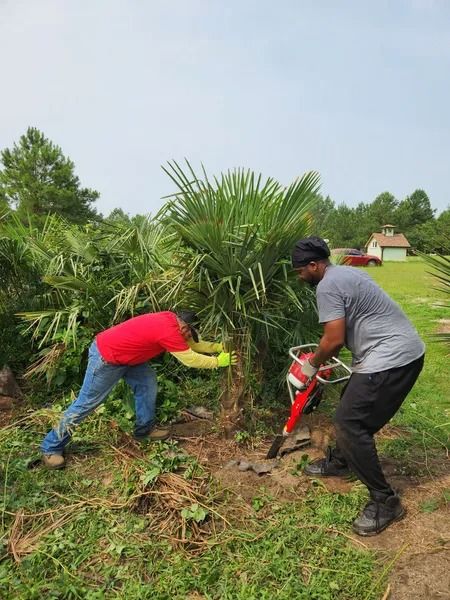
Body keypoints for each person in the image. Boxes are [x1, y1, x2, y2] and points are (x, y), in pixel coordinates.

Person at [291, 236, 425, 536]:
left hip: (392, 358)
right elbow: (340, 335)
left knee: (349, 423)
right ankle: (342, 460)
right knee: (351, 408)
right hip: (397, 352)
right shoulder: (347, 273)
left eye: (300, 271)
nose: (300, 276)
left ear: (315, 265)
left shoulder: (327, 285)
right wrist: (323, 358)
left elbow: (334, 339)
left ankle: (385, 501)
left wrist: (312, 364)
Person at [41, 310, 236, 469]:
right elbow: (190, 359)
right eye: (186, 332)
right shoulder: (169, 330)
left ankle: (144, 430)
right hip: (107, 357)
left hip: (129, 357)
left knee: (147, 383)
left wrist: (217, 347)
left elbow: (194, 343)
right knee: (87, 403)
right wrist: (218, 362)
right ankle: (51, 447)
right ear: (183, 326)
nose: (187, 337)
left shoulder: (174, 320)